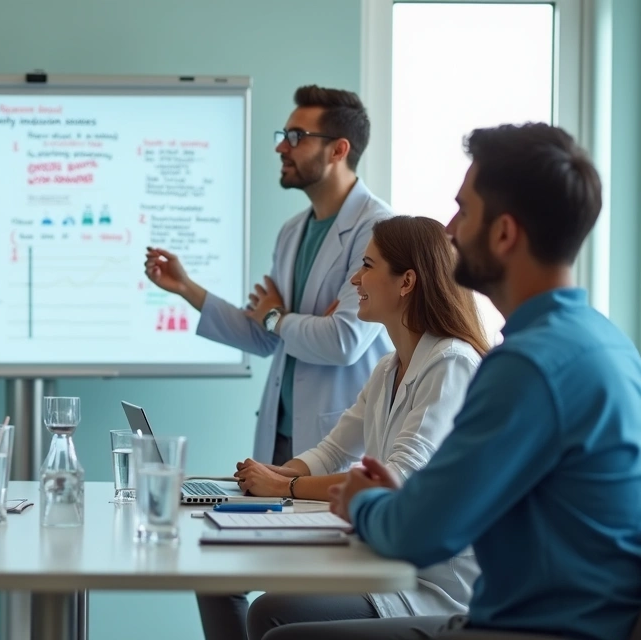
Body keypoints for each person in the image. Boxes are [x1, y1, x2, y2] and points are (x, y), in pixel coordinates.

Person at [272, 123, 641, 640]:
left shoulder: (527, 366)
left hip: (531, 628)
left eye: (463, 210)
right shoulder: (605, 343)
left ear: (505, 233)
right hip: (570, 619)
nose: (449, 229)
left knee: (284, 634)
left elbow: (421, 533)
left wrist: (362, 500)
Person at [197, 216, 488, 640]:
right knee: (229, 587)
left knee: (272, 615)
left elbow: (395, 481)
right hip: (389, 559)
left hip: (434, 585)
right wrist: (279, 472)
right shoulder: (389, 367)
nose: (355, 278)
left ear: (406, 282)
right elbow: (331, 451)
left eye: (368, 265)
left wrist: (282, 489)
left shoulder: (452, 363)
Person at [145, 85, 393, 466]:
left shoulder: (377, 228)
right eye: (284, 136)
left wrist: (279, 317)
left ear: (338, 150)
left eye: (296, 137)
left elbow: (342, 341)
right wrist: (187, 289)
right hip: (281, 437)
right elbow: (264, 337)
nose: (282, 147)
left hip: (337, 442)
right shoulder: (293, 230)